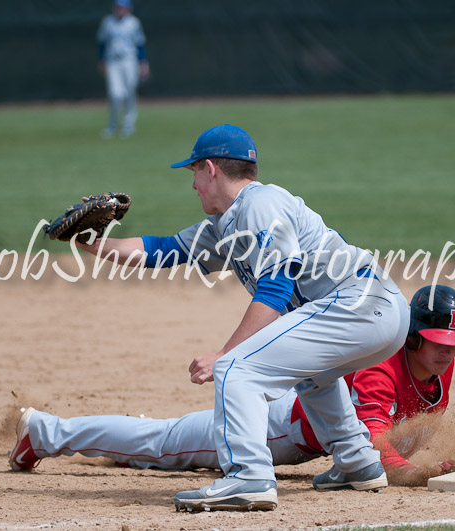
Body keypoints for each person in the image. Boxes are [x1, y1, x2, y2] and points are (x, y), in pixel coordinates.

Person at [36, 123, 411, 512]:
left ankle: (248, 476)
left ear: (211, 169)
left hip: (359, 305)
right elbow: (161, 250)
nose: (193, 184)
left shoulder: (260, 204)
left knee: (237, 368)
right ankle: (357, 463)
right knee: (311, 375)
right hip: (374, 312)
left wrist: (224, 355)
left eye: (194, 172)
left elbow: (276, 287)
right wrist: (88, 242)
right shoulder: (226, 223)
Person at [8, 285, 455, 490]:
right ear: (412, 335)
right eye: (436, 342)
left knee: (169, 438)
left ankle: (113, 437)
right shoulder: (383, 370)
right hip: (278, 431)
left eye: (454, 346)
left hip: (299, 427)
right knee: (162, 442)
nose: (445, 353)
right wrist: (414, 473)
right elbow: (375, 442)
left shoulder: (438, 367)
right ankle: (46, 432)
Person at [97, 0, 149, 138]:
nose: (120, 10)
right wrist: (101, 61)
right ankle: (113, 125)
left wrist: (143, 62)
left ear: (128, 8)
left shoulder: (133, 22)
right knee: (115, 94)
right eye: (118, 7)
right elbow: (102, 43)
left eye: (123, 7)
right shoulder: (107, 22)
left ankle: (128, 124)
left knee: (130, 91)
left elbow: (140, 44)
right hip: (113, 61)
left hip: (129, 60)